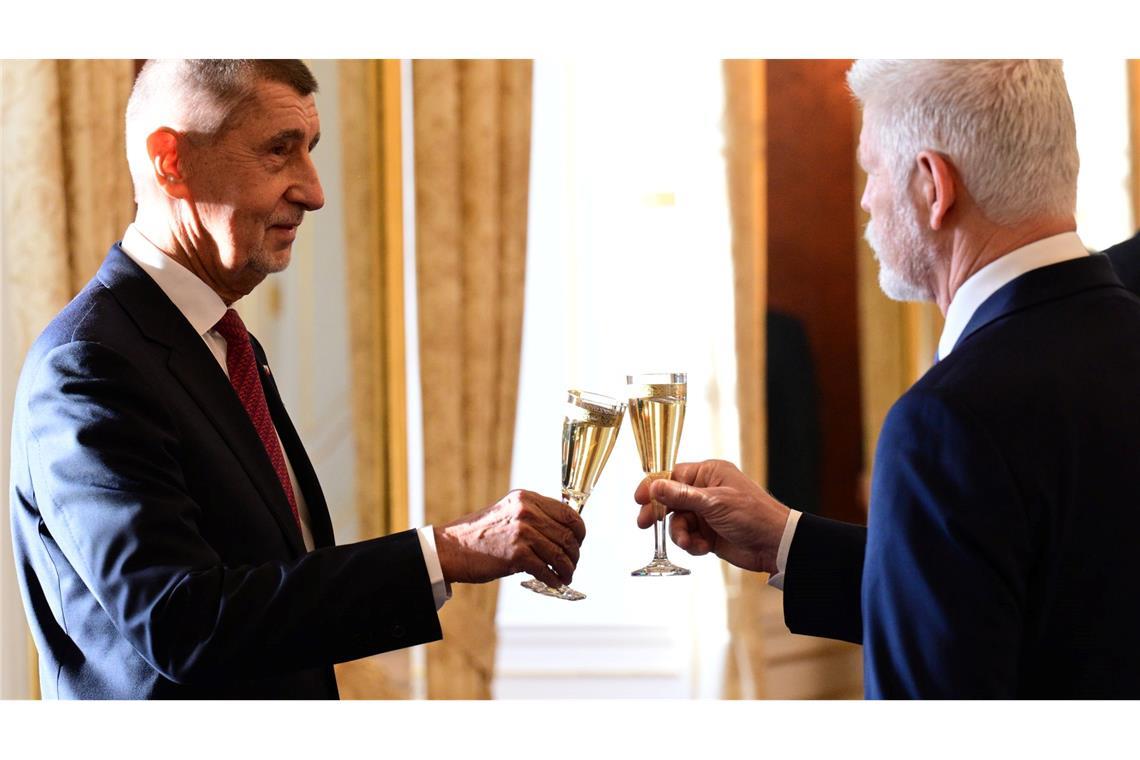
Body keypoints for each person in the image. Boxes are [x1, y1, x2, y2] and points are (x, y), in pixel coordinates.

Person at [9, 59, 584, 699]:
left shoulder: (231, 346)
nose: (314, 192)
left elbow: (278, 592)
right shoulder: (88, 364)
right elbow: (181, 622)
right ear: (170, 161)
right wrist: (443, 552)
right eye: (280, 151)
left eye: (310, 151)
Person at [636, 60, 1140, 698]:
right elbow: (1057, 605)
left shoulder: (945, 422)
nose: (866, 198)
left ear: (933, 184)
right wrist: (785, 540)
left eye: (871, 169)